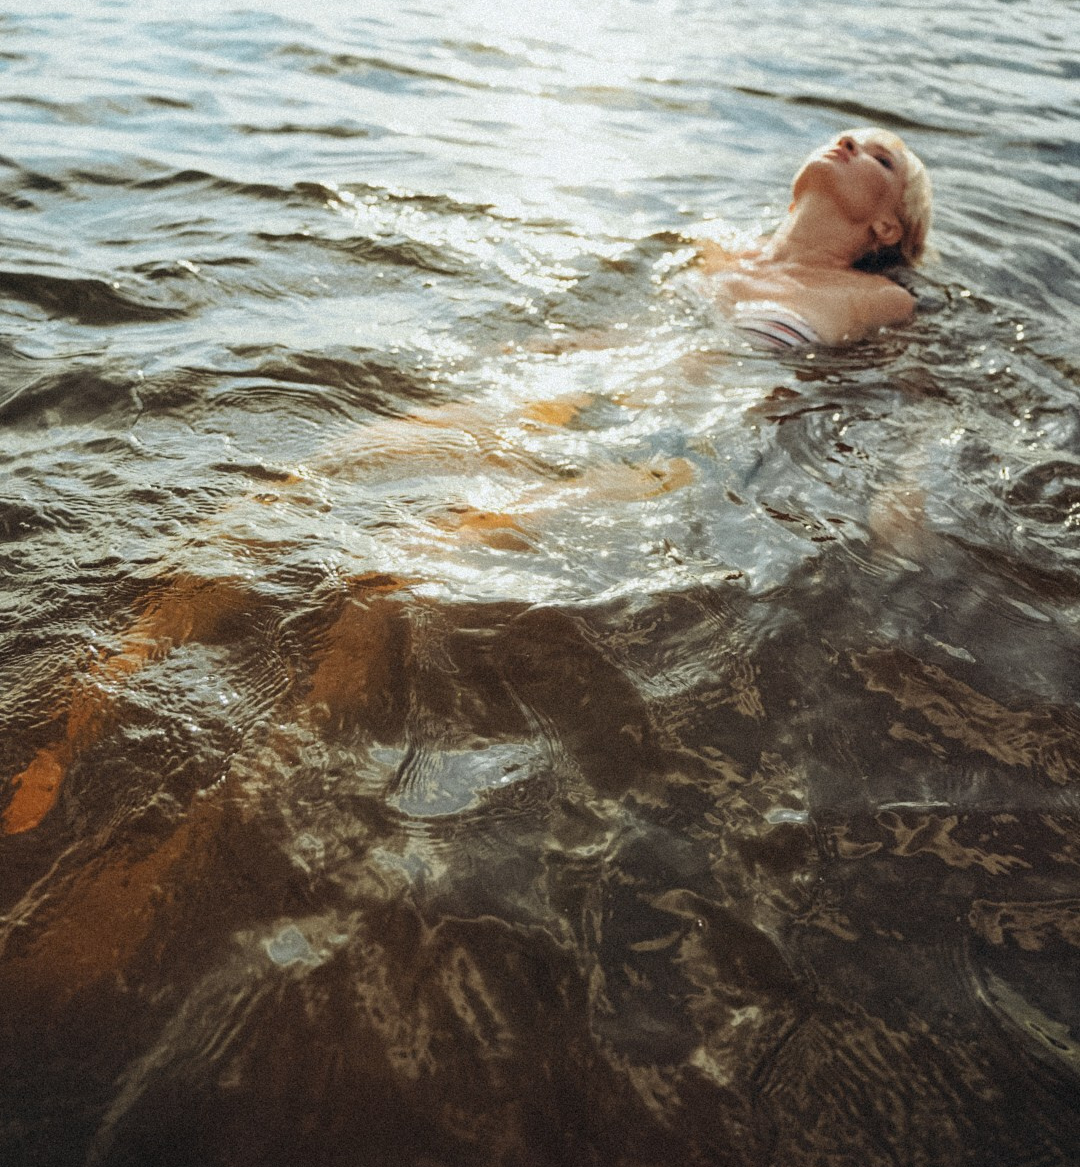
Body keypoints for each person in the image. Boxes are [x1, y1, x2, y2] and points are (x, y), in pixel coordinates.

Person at [2, 126, 932, 838]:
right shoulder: (708, 251)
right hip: (561, 399)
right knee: (287, 493)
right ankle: (77, 721)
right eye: (849, 134)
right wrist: (531, 364)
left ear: (886, 224)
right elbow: (628, 333)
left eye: (881, 155)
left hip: (667, 447)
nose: (851, 140)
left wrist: (905, 486)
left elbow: (913, 400)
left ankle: (237, 801)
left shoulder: (879, 299)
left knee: (408, 565)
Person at [694, 127, 932, 349]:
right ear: (794, 201)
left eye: (882, 160)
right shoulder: (719, 246)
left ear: (887, 228)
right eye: (841, 139)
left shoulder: (883, 297)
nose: (845, 142)